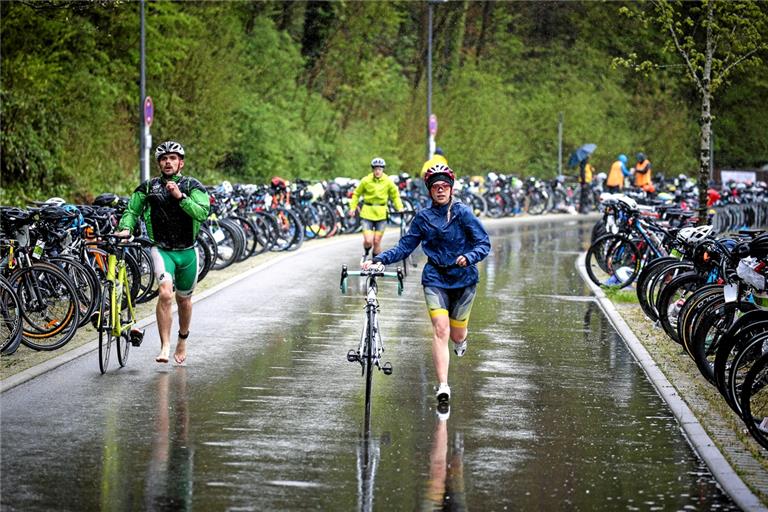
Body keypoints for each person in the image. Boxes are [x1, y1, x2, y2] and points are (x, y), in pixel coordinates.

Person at [363, 164, 491, 404]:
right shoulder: (423, 218)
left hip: (464, 279)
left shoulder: (463, 213)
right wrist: (379, 259)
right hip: (435, 278)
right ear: (430, 191)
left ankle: (462, 340)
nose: (440, 191)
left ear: (451, 189)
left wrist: (470, 257)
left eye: (444, 187)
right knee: (440, 329)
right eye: (435, 187)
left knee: (456, 334)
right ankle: (443, 386)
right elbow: (405, 246)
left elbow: (483, 243)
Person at [116, 140, 210, 364]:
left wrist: (180, 197)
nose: (168, 162)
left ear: (181, 163)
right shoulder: (149, 187)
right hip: (162, 249)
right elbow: (132, 210)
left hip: (187, 252)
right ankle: (165, 346)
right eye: (164, 159)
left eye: (173, 158)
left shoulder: (192, 186)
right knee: (166, 294)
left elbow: (202, 213)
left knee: (184, 301)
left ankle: (182, 339)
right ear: (159, 163)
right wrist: (126, 228)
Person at [349, 157, 404, 264]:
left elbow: (395, 196)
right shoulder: (366, 180)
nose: (378, 171)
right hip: (367, 213)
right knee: (368, 241)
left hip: (382, 214)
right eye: (376, 169)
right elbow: (356, 194)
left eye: (380, 169)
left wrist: (400, 207)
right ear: (373, 169)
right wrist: (352, 207)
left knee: (377, 241)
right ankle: (366, 251)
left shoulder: (388, 181)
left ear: (383, 169)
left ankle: (375, 262)